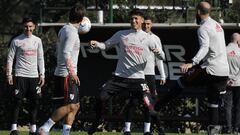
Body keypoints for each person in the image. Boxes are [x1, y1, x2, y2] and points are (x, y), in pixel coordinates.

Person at [153, 2, 229, 135]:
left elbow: (205, 47)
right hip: (223, 71)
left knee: (182, 81)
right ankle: (213, 133)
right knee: (213, 103)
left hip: (211, 69)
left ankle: (156, 107)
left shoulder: (203, 28)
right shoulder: (218, 25)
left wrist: (192, 63)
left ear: (199, 12)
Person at [87, 8, 165, 135]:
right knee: (101, 97)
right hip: (119, 78)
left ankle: (160, 129)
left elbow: (162, 57)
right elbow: (106, 45)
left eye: (136, 19)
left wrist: (159, 53)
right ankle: (97, 121)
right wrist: (97, 44)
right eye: (132, 18)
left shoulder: (149, 38)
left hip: (138, 80)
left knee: (150, 107)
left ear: (142, 21)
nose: (133, 21)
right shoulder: (121, 34)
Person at [38, 3, 86, 135]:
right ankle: (45, 128)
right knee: (71, 106)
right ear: (82, 20)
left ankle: (65, 133)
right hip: (66, 74)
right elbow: (66, 53)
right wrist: (72, 73)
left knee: (75, 106)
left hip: (62, 72)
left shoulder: (64, 29)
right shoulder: (71, 33)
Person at [122, 16, 166, 135]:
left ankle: (147, 130)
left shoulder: (155, 39)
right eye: (145, 23)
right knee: (133, 102)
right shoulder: (133, 37)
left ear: (151, 25)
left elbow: (159, 58)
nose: (146, 26)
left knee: (150, 104)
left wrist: (162, 75)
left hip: (150, 75)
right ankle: (127, 129)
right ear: (141, 23)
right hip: (137, 75)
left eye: (148, 24)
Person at [6, 17, 45, 135]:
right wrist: (9, 74)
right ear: (23, 26)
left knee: (34, 102)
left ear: (34, 27)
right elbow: (10, 58)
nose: (28, 29)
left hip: (34, 77)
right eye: (26, 26)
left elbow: (40, 58)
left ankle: (33, 129)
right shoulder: (16, 41)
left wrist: (42, 74)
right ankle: (13, 129)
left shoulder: (37, 41)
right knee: (17, 102)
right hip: (20, 75)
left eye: (30, 26)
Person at [222, 33, 240, 134]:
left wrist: (228, 78)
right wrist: (234, 78)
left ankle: (228, 128)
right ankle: (236, 129)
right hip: (238, 82)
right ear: (237, 41)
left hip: (226, 82)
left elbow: (221, 65)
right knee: (238, 106)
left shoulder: (224, 50)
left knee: (227, 106)